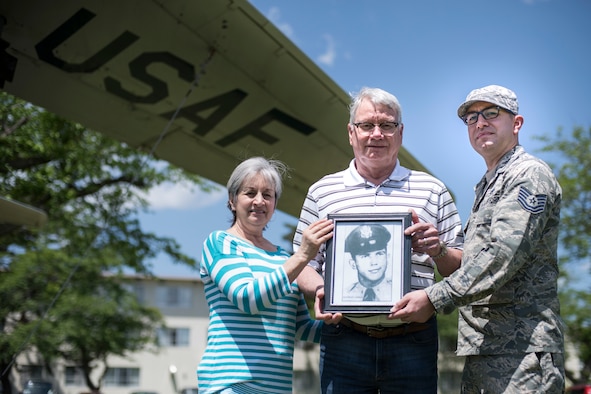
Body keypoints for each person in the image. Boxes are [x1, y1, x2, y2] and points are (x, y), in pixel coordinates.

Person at [389, 85, 566, 393]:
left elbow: (501, 256)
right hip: (486, 348)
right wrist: (440, 250)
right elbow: (478, 260)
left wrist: (433, 297)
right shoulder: (488, 183)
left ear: (517, 123)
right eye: (471, 118)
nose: (480, 123)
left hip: (522, 352)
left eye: (492, 113)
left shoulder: (528, 175)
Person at [293, 87, 464, 393]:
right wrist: (322, 290)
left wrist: (438, 250)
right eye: (366, 125)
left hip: (414, 338)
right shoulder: (322, 192)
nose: (376, 134)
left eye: (387, 125)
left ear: (400, 133)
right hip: (343, 339)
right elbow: (302, 263)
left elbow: (461, 267)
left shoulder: (432, 189)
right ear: (350, 132)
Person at [197, 156, 334, 394]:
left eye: (267, 195)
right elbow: (248, 298)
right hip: (231, 386)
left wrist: (353, 319)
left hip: (276, 388)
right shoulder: (220, 243)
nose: (259, 201)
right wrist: (303, 256)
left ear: (274, 204)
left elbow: (301, 326)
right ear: (232, 200)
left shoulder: (283, 258)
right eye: (250, 193)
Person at [343, 224, 392, 302]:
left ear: (387, 257)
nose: (374, 262)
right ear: (353, 263)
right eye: (365, 256)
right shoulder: (344, 294)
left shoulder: (398, 290)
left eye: (379, 254)